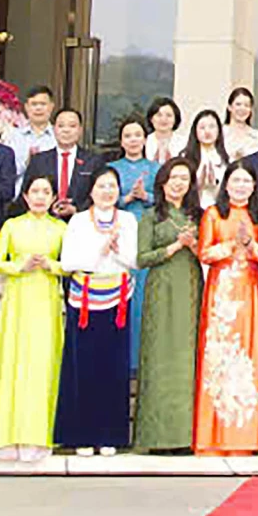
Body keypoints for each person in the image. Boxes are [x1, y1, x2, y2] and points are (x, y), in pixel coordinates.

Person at [0, 174, 68, 463]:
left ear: (53, 197)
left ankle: (38, 436)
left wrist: (52, 265)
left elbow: (71, 264)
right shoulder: (12, 225)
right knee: (13, 363)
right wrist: (19, 265)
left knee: (42, 365)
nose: (40, 197)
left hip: (47, 301)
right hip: (17, 302)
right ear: (25, 196)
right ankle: (5, 436)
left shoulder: (61, 228)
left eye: (46, 192)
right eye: (35, 191)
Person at [55, 167, 140, 455]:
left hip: (118, 298)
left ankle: (110, 435)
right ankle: (82, 434)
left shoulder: (127, 220)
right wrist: (99, 252)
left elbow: (134, 260)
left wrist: (115, 250)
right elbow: (68, 262)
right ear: (91, 190)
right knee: (84, 367)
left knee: (113, 368)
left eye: (112, 186)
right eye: (101, 185)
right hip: (85, 299)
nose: (107, 191)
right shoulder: (79, 220)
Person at [195, 161, 258, 455]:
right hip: (221, 294)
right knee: (218, 356)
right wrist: (230, 245)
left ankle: (243, 438)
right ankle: (211, 437)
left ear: (254, 186)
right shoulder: (214, 214)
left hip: (249, 290)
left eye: (246, 181)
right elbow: (204, 253)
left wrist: (249, 244)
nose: (241, 186)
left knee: (247, 356)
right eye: (236, 180)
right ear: (226, 184)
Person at [134, 159, 203, 454]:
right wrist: (175, 246)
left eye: (184, 178)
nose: (178, 183)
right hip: (161, 288)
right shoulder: (151, 216)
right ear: (162, 182)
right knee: (160, 356)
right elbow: (141, 258)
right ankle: (157, 437)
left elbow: (207, 252)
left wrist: (193, 245)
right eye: (173, 177)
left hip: (190, 286)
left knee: (187, 359)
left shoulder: (198, 215)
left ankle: (185, 436)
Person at [108, 117, 156, 370]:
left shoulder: (156, 168)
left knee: (142, 297)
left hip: (147, 234)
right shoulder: (111, 168)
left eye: (138, 135)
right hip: (119, 234)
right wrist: (126, 198)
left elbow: (166, 199)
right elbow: (102, 197)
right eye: (128, 135)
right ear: (121, 140)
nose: (133, 140)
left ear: (145, 139)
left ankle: (141, 361)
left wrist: (146, 196)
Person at [17, 107, 101, 220]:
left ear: (80, 130)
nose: (66, 130)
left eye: (72, 126)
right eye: (61, 126)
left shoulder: (93, 161)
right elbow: (26, 194)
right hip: (44, 221)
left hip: (82, 222)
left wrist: (76, 210)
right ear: (54, 129)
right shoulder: (39, 160)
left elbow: (99, 195)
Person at [3, 84, 57, 186]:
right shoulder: (14, 136)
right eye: (34, 104)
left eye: (43, 104)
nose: (38, 108)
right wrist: (27, 163)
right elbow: (6, 172)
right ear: (26, 107)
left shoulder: (58, 136)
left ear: (51, 107)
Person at [180, 109, 230, 211]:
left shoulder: (227, 158)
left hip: (218, 211)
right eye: (202, 128)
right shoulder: (185, 156)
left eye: (212, 127)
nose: (207, 131)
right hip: (190, 210)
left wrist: (214, 185)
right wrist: (198, 185)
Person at [223, 86, 258, 161]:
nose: (242, 109)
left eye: (246, 105)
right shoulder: (219, 133)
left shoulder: (257, 137)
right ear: (229, 107)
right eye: (238, 104)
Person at [143, 96, 184, 164]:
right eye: (159, 115)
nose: (163, 119)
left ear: (175, 119)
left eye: (169, 115)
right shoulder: (144, 142)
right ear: (151, 119)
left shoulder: (184, 143)